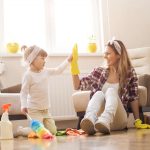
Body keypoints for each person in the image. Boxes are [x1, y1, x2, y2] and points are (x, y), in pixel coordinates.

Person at [71, 38, 150, 135]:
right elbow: (77, 85)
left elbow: (133, 97)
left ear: (118, 55)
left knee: (111, 91)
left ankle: (106, 119)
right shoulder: (99, 71)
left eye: (108, 53)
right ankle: (89, 118)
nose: (105, 56)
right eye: (104, 53)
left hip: (118, 120)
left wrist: (137, 120)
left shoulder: (129, 73)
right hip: (98, 123)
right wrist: (73, 65)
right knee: (98, 93)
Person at [20, 45, 72, 135]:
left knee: (53, 132)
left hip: (45, 110)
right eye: (42, 58)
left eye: (45, 59)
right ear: (33, 59)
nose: (45, 61)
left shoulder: (45, 71)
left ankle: (37, 128)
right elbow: (24, 93)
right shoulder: (28, 75)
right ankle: (21, 131)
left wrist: (68, 60)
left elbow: (58, 70)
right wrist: (23, 105)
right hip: (34, 110)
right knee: (38, 132)